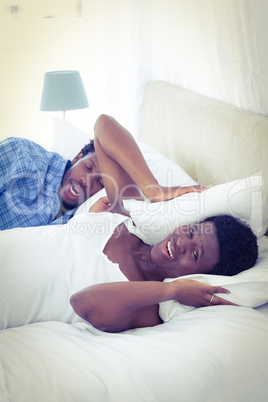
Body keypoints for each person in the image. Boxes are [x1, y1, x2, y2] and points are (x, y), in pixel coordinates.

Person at [68, 114, 259, 333]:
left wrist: (174, 290)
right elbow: (103, 125)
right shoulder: (129, 222)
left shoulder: (148, 306)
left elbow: (84, 303)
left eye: (195, 253)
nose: (181, 243)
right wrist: (152, 189)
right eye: (190, 232)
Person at [0, 116, 202, 230]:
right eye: (87, 168)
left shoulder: (84, 215)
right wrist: (154, 190)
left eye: (100, 183)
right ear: (78, 156)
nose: (86, 181)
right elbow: (103, 123)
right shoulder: (22, 154)